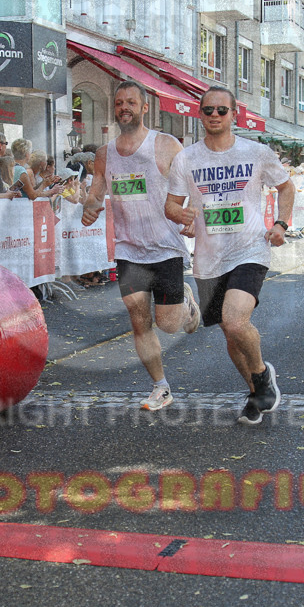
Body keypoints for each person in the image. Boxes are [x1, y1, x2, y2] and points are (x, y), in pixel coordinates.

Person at [165, 86, 295, 425]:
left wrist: (280, 224)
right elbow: (171, 206)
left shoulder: (256, 152)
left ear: (233, 114)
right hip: (209, 258)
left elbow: (286, 186)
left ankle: (263, 377)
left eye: (221, 110)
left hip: (250, 248)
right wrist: (185, 216)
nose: (214, 116)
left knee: (236, 321)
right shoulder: (187, 158)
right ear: (200, 114)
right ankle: (255, 390)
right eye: (207, 110)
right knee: (228, 331)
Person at [81, 80, 201, 412]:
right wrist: (90, 206)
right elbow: (96, 191)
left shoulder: (165, 145)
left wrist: (191, 217)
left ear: (144, 107)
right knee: (138, 319)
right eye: (119, 103)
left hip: (166, 247)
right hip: (129, 249)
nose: (124, 108)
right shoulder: (105, 154)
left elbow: (195, 185)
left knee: (169, 324)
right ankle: (160, 387)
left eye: (131, 102)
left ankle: (187, 303)